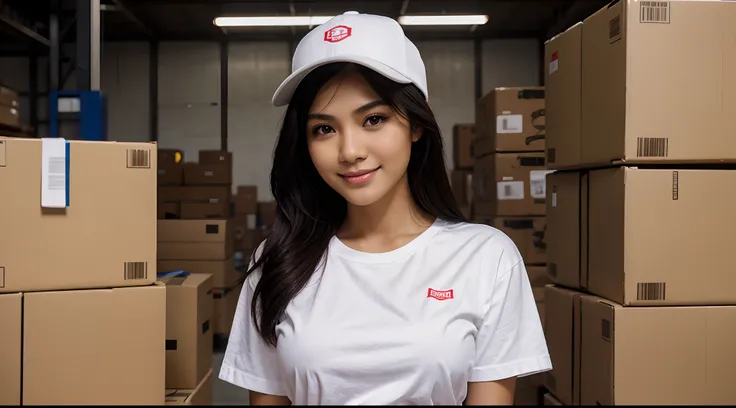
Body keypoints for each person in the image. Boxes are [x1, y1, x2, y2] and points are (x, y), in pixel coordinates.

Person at [219, 11, 551, 406]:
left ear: (415, 123)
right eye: (324, 128)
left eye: (373, 119)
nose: (350, 152)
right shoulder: (279, 264)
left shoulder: (486, 258)